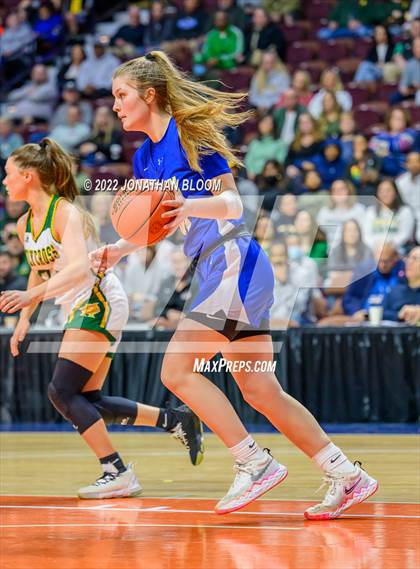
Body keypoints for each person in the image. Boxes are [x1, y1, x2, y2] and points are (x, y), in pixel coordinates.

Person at [91, 50, 378, 519]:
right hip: (216, 267)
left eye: (122, 95)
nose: (116, 105)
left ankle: (253, 461)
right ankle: (346, 474)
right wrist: (118, 250)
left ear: (150, 95)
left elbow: (233, 204)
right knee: (260, 389)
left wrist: (189, 205)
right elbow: (155, 226)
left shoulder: (190, 134)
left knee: (176, 371)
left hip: (233, 259)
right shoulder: (144, 157)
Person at [0, 138, 204, 499]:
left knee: (61, 391)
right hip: (79, 305)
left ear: (28, 176)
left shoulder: (65, 212)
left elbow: (79, 269)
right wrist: (25, 320)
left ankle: (117, 471)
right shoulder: (23, 224)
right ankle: (174, 419)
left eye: (9, 173)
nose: (5, 180)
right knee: (87, 400)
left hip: (98, 298)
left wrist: (31, 297)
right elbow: (39, 270)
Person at [363, 178, 415, 252]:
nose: (385, 194)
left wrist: (390, 246)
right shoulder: (370, 211)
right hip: (374, 250)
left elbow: (405, 234)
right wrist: (376, 246)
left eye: (388, 190)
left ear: (395, 193)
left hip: (399, 251)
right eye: (381, 191)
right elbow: (366, 235)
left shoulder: (405, 211)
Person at [369, 108, 417, 176]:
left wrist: (384, 149)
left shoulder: (410, 133)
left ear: (406, 120)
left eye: (401, 118)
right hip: (382, 171)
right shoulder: (382, 134)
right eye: (395, 118)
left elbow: (399, 146)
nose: (398, 121)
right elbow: (371, 146)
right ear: (389, 119)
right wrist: (387, 150)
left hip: (402, 171)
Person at [317, 179, 366, 246]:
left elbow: (365, 234)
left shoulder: (359, 209)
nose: (338, 192)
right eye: (334, 190)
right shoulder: (324, 211)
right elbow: (319, 236)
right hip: (330, 248)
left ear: (349, 191)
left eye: (341, 189)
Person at [382, 246, 420, 322]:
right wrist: (399, 315)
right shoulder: (395, 290)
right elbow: (380, 313)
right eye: (408, 258)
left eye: (415, 258)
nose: (409, 262)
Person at [396, 152, 420, 244]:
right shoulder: (400, 181)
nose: (414, 164)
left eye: (417, 161)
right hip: (406, 213)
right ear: (406, 164)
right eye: (411, 162)